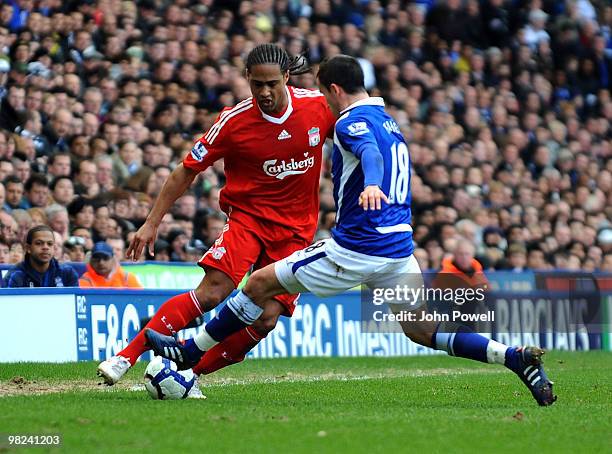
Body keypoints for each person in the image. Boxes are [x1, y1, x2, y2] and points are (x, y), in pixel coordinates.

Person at [147, 55, 556, 407]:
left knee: (257, 284)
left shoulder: (350, 123)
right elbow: (377, 147)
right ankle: (513, 357)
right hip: (398, 251)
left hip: (355, 250)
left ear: (336, 90)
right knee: (422, 330)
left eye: (324, 93)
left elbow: (369, 153)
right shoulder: (387, 118)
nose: (323, 102)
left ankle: (186, 352)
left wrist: (373, 182)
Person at [97, 44, 335, 386]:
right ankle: (125, 357)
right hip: (248, 220)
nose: (265, 93)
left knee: (266, 319)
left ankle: (187, 374)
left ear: (286, 78)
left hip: (296, 231)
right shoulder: (233, 122)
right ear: (247, 80)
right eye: (257, 85)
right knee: (212, 292)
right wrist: (151, 223)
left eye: (272, 84)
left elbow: (350, 133)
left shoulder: (316, 107)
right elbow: (184, 171)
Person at [2, 225, 78, 287]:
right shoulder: (15, 274)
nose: (45, 247)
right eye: (39, 243)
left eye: (50, 244)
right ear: (28, 248)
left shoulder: (67, 273)